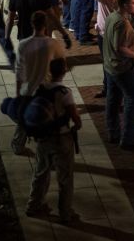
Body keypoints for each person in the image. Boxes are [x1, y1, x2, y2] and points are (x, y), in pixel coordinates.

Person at [25, 57, 81, 225]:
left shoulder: (41, 89)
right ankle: (65, 213)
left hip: (43, 138)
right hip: (61, 138)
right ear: (64, 71)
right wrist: (76, 126)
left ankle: (33, 205)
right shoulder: (65, 93)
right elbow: (75, 119)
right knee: (65, 178)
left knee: (40, 173)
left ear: (50, 71)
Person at [12, 10, 66, 155]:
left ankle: (18, 144)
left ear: (32, 24)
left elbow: (19, 71)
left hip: (28, 89)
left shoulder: (23, 45)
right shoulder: (53, 44)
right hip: (46, 90)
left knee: (23, 118)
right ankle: (49, 151)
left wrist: (18, 93)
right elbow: (61, 67)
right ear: (45, 25)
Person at [102, 0, 134, 150]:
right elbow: (120, 48)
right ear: (125, 5)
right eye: (133, 2)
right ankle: (128, 138)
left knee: (112, 101)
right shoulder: (121, 23)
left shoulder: (112, 17)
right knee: (132, 100)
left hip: (110, 67)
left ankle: (113, 132)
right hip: (122, 67)